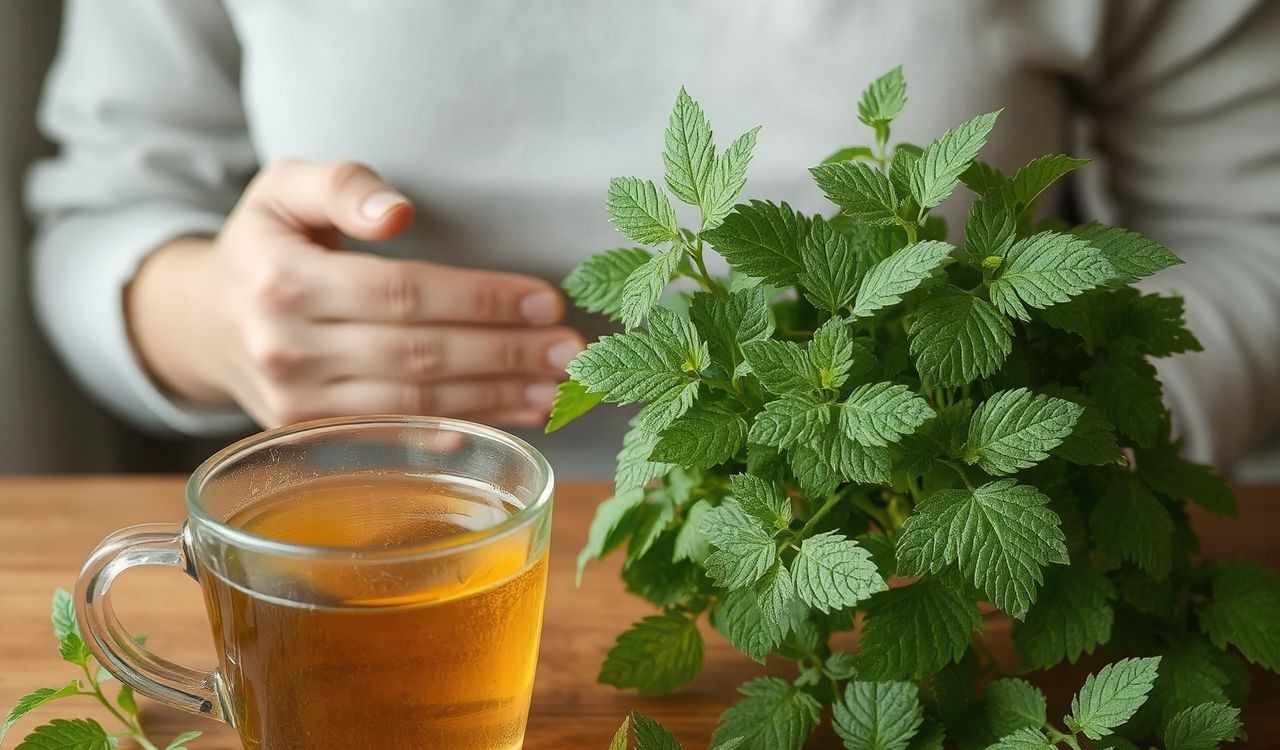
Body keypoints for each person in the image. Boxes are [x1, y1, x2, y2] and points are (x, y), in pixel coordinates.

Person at [27, 0, 1280, 475]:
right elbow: (103, 216)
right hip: (404, 580)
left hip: (947, 572)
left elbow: (1251, 241)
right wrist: (219, 319)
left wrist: (1010, 456)